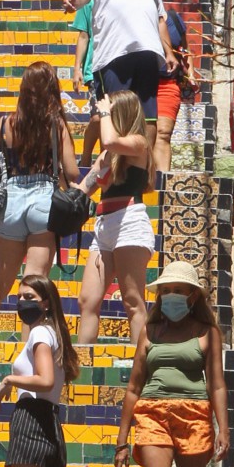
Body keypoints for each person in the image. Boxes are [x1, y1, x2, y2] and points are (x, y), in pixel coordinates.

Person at [0, 63, 78, 344]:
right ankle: (30, 353)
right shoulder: (56, 125)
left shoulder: (5, 124)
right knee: (34, 284)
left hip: (11, 202)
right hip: (44, 202)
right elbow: (73, 172)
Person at [115, 262, 229, 467]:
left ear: (192, 295)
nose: (170, 295)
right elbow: (134, 387)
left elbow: (217, 385)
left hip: (194, 414)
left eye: (178, 289)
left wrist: (224, 429)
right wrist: (121, 440)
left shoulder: (207, 333)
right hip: (152, 414)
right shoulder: (149, 331)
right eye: (165, 290)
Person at [69, 0, 177, 155]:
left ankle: (143, 168)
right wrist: (73, 0)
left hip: (148, 56)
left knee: (149, 118)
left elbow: (160, 21)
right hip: (113, 58)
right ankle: (115, 170)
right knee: (115, 118)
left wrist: (169, 52)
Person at [75, 93, 155, 347]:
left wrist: (105, 113)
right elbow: (83, 189)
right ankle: (84, 363)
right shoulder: (108, 155)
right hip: (104, 225)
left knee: (133, 300)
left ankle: (138, 367)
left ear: (120, 115)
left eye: (109, 113)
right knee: (87, 300)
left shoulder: (138, 143)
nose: (102, 119)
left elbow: (109, 140)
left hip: (129, 222)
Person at [0, 276, 79, 467]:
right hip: (50, 422)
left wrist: (9, 379)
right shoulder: (54, 333)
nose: (22, 302)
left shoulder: (40, 333)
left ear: (46, 303)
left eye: (29, 297)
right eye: (19, 297)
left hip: (30, 421)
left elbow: (45, 380)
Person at [154, 5, 195, 177]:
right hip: (138, 84)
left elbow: (186, 51)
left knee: (163, 133)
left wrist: (191, 76)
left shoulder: (173, 18)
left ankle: (161, 187)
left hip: (167, 84)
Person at [69, 0, 101, 173]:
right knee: (97, 118)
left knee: (110, 120)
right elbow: (83, 35)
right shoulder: (88, 1)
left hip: (116, 68)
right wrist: (77, 69)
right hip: (94, 70)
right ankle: (87, 154)